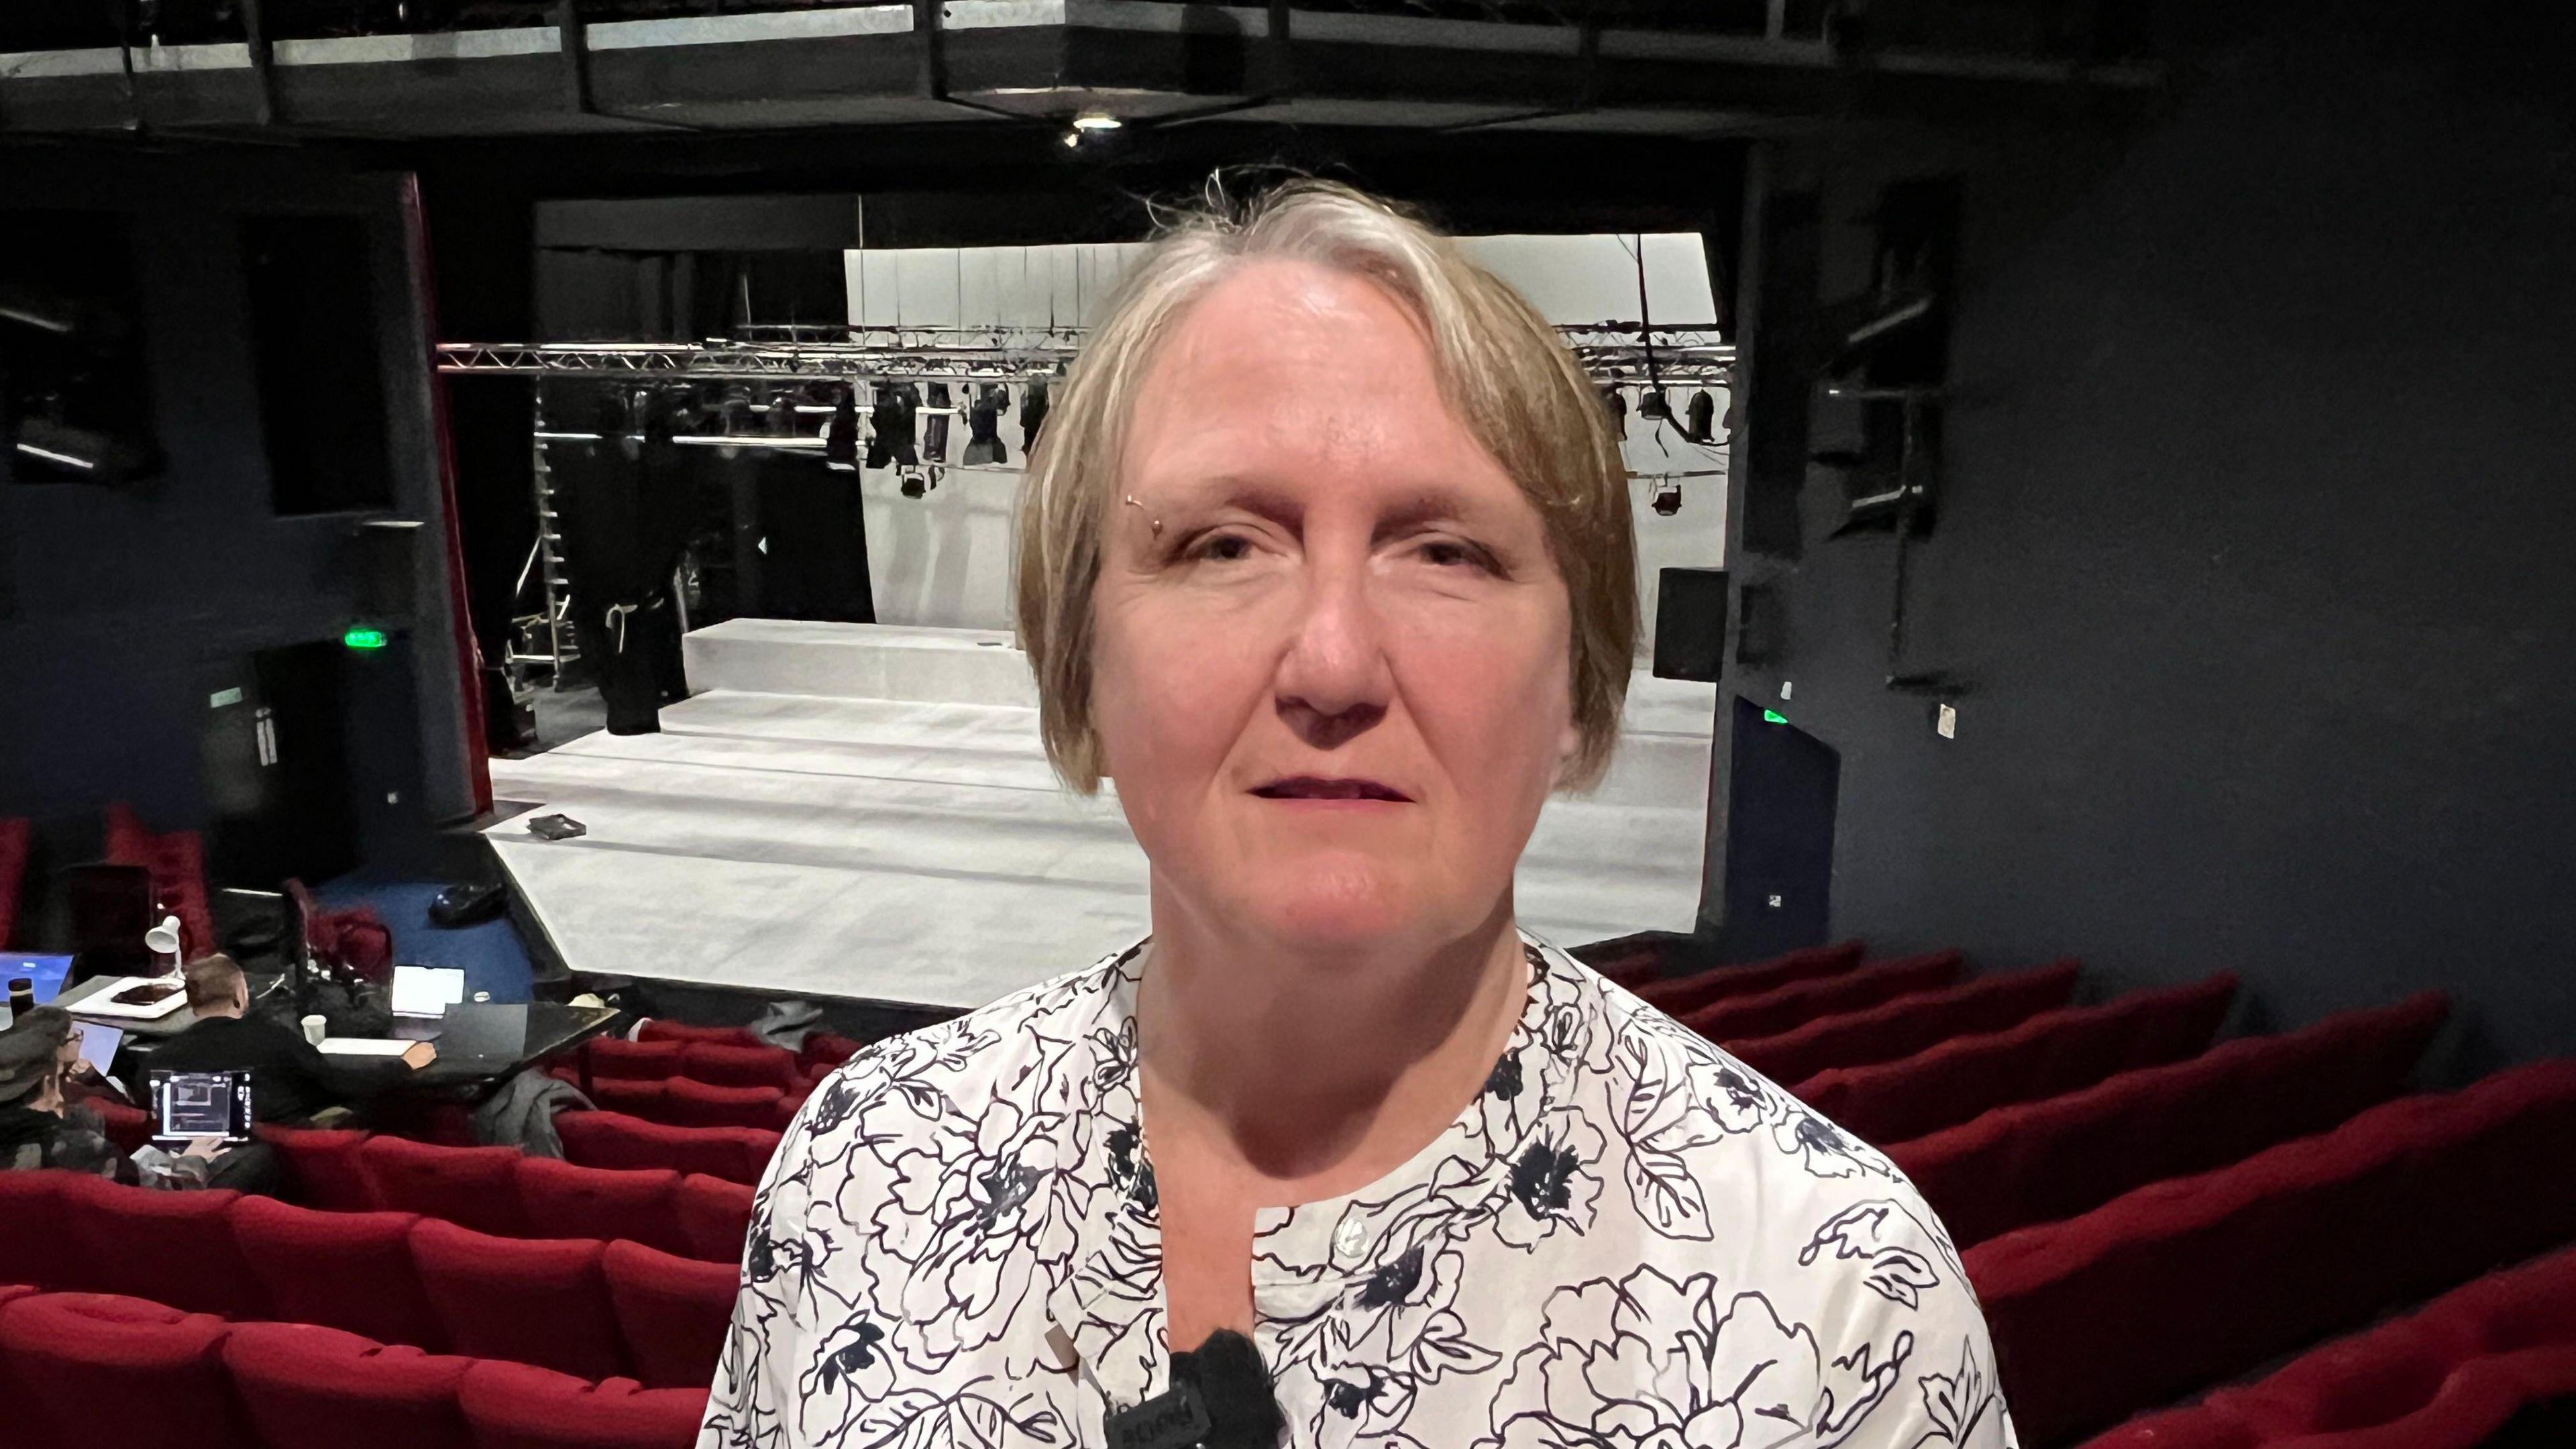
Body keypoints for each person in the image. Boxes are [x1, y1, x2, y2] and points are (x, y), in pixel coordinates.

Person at [701, 180, 2016, 1449]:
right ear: (1081, 662)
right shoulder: (863, 1167)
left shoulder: (1833, 1305)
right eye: (1221, 546)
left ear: (1577, 683)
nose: (1332, 665)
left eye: (1447, 551)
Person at [149, 955, 411, 1124]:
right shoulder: (273, 1039)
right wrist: (405, 1064)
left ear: (192, 1004)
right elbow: (341, 1082)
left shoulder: (158, 1061)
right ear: (241, 996)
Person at [0, 1008, 136, 1180]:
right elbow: (162, 1192)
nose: (79, 1040)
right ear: (50, 1074)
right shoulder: (80, 1146)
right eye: (73, 1038)